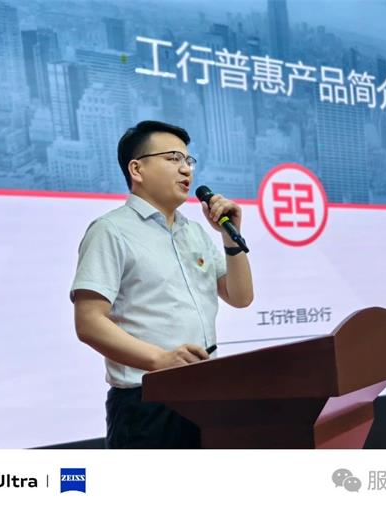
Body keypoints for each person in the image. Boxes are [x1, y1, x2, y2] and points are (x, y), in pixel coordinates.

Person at [70, 120, 254, 448]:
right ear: (137, 169)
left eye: (188, 160)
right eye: (173, 159)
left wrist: (230, 236)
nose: (186, 169)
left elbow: (240, 297)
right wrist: (160, 361)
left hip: (205, 394)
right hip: (147, 403)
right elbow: (89, 322)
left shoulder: (194, 232)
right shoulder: (110, 230)